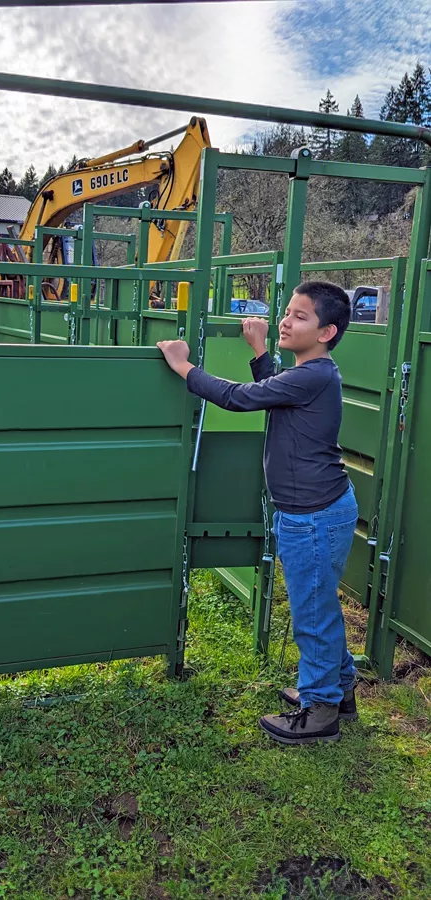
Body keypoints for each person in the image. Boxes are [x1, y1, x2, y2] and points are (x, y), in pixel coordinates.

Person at [157, 282, 357, 746]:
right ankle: (339, 693)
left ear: (327, 331)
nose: (286, 320)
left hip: (313, 517)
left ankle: (321, 709)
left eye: (300, 317)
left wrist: (183, 365)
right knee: (319, 604)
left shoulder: (315, 375)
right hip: (316, 512)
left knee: (312, 611)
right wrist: (261, 350)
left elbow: (242, 397)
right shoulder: (310, 376)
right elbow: (272, 391)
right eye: (287, 312)